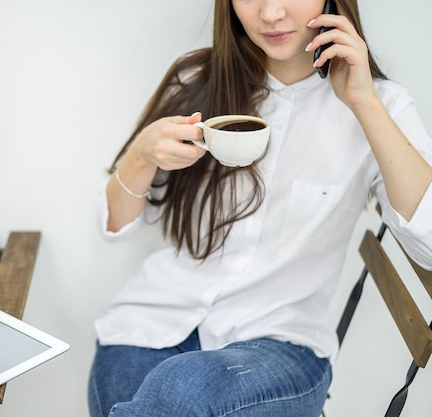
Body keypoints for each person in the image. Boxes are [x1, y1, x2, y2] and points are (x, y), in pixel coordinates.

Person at [88, 0, 432, 416]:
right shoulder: (197, 82)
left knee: (178, 389)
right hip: (151, 325)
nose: (270, 14)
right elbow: (116, 225)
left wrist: (364, 102)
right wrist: (141, 155)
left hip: (281, 346)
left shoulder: (383, 106)